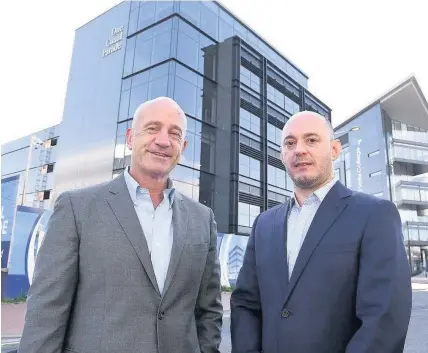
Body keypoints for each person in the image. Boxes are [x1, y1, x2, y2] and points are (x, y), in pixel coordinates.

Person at [18, 97, 223, 353]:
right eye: (152, 128)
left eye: (174, 133)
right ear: (129, 138)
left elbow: (209, 310)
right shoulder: (77, 208)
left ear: (183, 146)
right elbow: (46, 310)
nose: (163, 140)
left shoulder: (202, 219)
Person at [230, 111, 412, 353]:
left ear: (335, 150)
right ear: (282, 155)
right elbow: (246, 303)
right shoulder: (264, 223)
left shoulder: (375, 214)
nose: (300, 149)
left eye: (312, 140)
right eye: (290, 143)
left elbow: (384, 319)